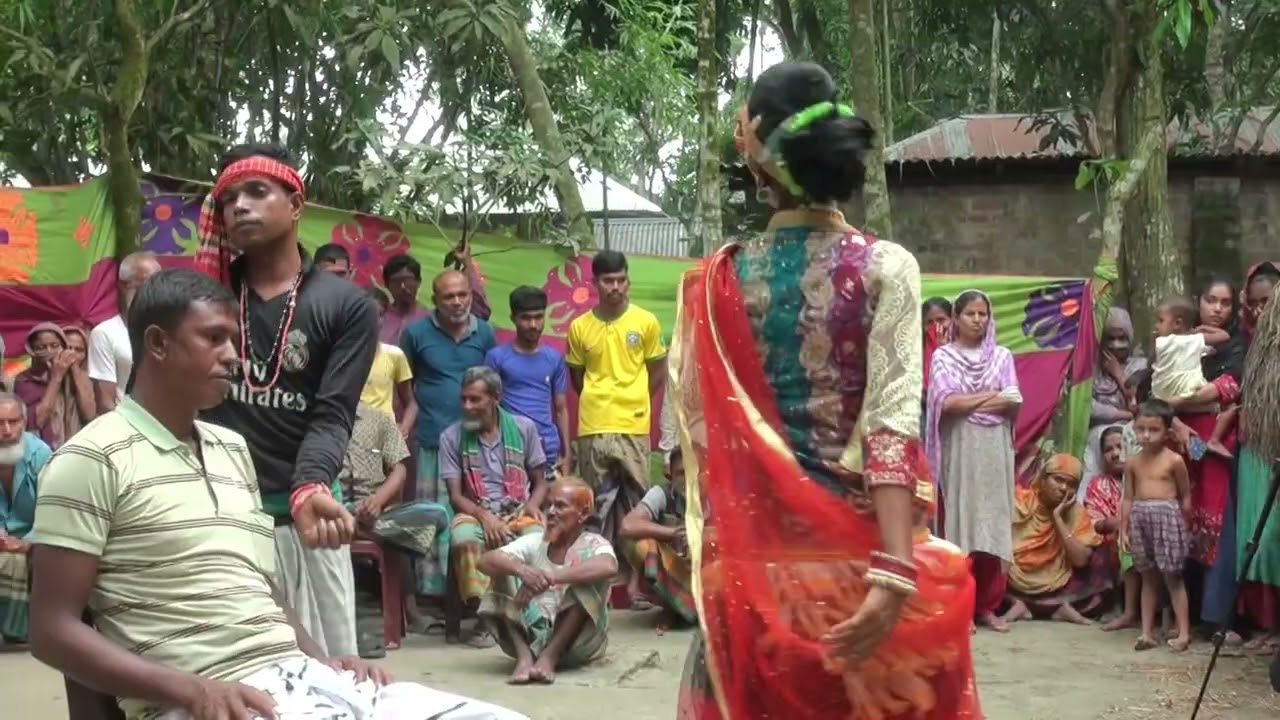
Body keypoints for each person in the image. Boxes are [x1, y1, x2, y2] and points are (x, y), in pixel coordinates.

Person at [27, 268, 528, 720]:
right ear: (158, 344)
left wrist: (324, 662)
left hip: (298, 678)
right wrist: (190, 690)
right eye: (214, 338)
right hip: (201, 701)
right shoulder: (90, 459)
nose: (233, 355)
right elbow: (51, 631)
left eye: (233, 339)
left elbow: (258, 584)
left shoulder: (231, 449)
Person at [673, 61, 978, 719]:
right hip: (860, 569)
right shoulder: (885, 267)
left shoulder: (712, 285)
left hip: (754, 580)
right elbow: (891, 423)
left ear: (755, 154)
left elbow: (702, 441)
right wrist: (895, 573)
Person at [194, 144, 379, 658]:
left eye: (257, 192)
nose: (240, 206)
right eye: (229, 198)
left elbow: (333, 414)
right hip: (216, 522)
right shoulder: (204, 298)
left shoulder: (347, 306)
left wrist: (310, 485)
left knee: (326, 677)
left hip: (305, 519)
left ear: (296, 204)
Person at [566, 250, 666, 607]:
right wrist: (601, 400)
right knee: (597, 509)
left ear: (628, 280)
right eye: (608, 280)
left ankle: (636, 588)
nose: (616, 287)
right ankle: (601, 590)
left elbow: (657, 370)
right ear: (595, 283)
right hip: (593, 425)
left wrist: (634, 400)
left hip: (634, 426)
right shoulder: (580, 327)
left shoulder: (646, 322)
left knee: (637, 507)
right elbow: (577, 378)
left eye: (621, 279)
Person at [927, 289, 1021, 633]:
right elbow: (947, 404)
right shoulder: (943, 357)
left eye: (983, 314)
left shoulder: (1002, 356)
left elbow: (1013, 401)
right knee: (961, 525)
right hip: (961, 448)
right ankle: (961, 608)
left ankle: (987, 607)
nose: (978, 320)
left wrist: (970, 400)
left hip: (995, 449)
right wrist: (993, 396)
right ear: (956, 318)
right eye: (970, 314)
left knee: (993, 525)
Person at [442, 366, 548, 645]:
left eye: (475, 399)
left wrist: (532, 505)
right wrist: (485, 517)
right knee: (463, 537)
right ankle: (486, 615)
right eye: (464, 399)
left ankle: (530, 613)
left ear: (495, 398)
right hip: (474, 510)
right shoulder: (451, 437)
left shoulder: (524, 429)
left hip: (518, 511)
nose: (467, 406)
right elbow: (456, 496)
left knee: (538, 538)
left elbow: (541, 483)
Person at [477, 480, 615, 685]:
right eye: (548, 505)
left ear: (583, 514)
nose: (550, 512)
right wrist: (522, 571)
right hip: (533, 634)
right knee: (502, 568)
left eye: (560, 506)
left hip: (578, 642)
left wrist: (550, 577)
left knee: (591, 578)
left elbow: (608, 566)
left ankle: (549, 657)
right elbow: (484, 561)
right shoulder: (535, 541)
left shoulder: (594, 543)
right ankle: (525, 658)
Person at [339, 401, 450, 630]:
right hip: (332, 512)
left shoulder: (379, 420)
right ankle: (360, 526)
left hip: (377, 513)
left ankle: (364, 528)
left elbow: (400, 470)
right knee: (393, 535)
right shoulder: (320, 420)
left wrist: (377, 501)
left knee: (436, 514)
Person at [402, 271, 497, 507]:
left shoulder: (485, 332)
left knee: (478, 509)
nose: (457, 302)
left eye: (463, 295)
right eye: (449, 296)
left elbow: (491, 384)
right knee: (432, 515)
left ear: (471, 296)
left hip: (475, 440)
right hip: (432, 439)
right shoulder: (415, 334)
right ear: (435, 300)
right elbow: (405, 385)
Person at [1002, 453, 1111, 625]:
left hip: (1058, 584)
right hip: (1015, 580)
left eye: (1071, 484)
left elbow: (1080, 561)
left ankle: (1052, 606)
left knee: (1102, 554)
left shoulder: (1076, 513)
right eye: (1058, 479)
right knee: (989, 561)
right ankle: (1021, 604)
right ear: (1043, 479)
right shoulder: (1020, 501)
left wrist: (1058, 518)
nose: (1063, 488)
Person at [1233, 261, 1280, 651]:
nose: (1262, 309)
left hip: (1275, 452)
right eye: (1255, 303)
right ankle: (1265, 624)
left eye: (1268, 301)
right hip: (1254, 452)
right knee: (1256, 538)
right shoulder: (1247, 344)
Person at [1122, 399, 1192, 652]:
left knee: (1173, 577)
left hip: (1168, 518)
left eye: (1153, 430)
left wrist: (1186, 526)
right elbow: (1128, 498)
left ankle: (1183, 633)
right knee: (1147, 577)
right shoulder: (1132, 462)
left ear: (1167, 432)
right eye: (1141, 429)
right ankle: (1146, 633)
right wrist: (1123, 529)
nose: (1146, 435)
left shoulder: (1174, 460)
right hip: (1140, 518)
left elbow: (1185, 495)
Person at [486, 287, 572, 480]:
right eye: (526, 318)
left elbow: (561, 409)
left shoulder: (554, 358)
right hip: (510, 447)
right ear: (513, 318)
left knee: (552, 499)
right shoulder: (496, 358)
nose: (533, 324)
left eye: (538, 317)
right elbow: (489, 407)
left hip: (548, 449)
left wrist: (567, 454)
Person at [619, 446, 695, 628]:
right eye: (681, 473)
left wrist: (700, 537)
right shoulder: (662, 493)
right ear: (671, 476)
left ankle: (696, 612)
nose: (687, 479)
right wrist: (672, 533)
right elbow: (627, 525)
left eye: (693, 472)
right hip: (673, 567)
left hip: (704, 571)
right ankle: (670, 608)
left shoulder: (716, 496)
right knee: (640, 545)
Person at [1150, 296, 1236, 458]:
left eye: (1160, 320)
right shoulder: (1190, 341)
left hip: (1163, 396)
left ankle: (1198, 452)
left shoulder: (1160, 344)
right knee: (1229, 404)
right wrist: (1201, 329)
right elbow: (1224, 336)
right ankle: (1214, 441)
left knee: (1189, 444)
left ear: (1178, 323)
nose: (1156, 326)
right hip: (1189, 393)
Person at [0, 392, 52, 643]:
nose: (7, 431)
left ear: (24, 422)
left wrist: (27, 542)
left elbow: (54, 511)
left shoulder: (41, 455)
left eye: (13, 421)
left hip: (39, 536)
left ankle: (18, 628)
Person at [87, 251, 162, 413]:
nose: (152, 293)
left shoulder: (166, 331)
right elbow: (105, 402)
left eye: (157, 286)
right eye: (144, 285)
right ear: (122, 286)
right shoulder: (104, 333)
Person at [1082, 308, 1148, 485]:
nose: (1116, 345)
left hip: (1132, 432)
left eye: (1122, 338)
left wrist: (1118, 373)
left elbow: (1140, 404)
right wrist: (1123, 414)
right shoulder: (1091, 369)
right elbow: (1087, 406)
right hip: (1097, 436)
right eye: (1110, 339)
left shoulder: (1141, 366)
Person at [379, 247, 491, 347]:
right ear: (387, 285)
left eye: (408, 280)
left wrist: (467, 264)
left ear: (418, 282)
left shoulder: (434, 319)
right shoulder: (378, 318)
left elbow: (480, 312)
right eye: (396, 281)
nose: (403, 287)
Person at [1087, 427, 1140, 632]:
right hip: (1116, 542)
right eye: (1108, 450)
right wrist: (1117, 524)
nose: (1116, 453)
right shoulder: (1099, 484)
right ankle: (1118, 605)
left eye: (1120, 446)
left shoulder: (1146, 478)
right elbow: (1094, 523)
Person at [14, 322, 96, 448]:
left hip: (76, 447)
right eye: (41, 347)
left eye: (54, 346)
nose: (49, 351)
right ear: (32, 350)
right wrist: (56, 378)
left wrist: (73, 369)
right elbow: (38, 421)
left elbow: (89, 415)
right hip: (43, 450)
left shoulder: (81, 377)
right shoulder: (24, 380)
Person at [361, 286, 418, 435]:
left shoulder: (393, 355)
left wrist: (404, 427)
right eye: (367, 314)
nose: (374, 321)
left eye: (380, 315)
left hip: (383, 434)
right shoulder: (341, 354)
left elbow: (411, 403)